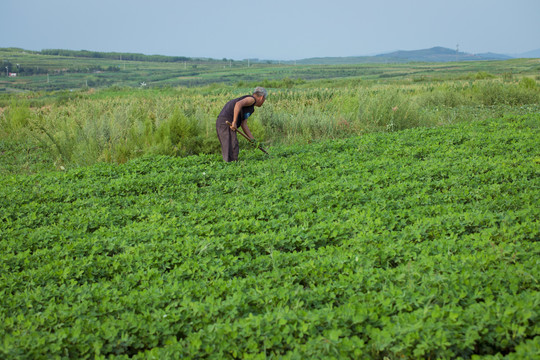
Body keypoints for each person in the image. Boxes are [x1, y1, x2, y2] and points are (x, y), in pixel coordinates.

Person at [216, 86, 267, 162]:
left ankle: (232, 166)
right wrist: (234, 122)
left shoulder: (251, 108)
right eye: (264, 99)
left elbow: (244, 124)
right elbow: (238, 104)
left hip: (229, 124)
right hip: (226, 123)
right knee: (229, 147)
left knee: (233, 146)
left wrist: (252, 140)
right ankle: (229, 167)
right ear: (262, 97)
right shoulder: (252, 99)